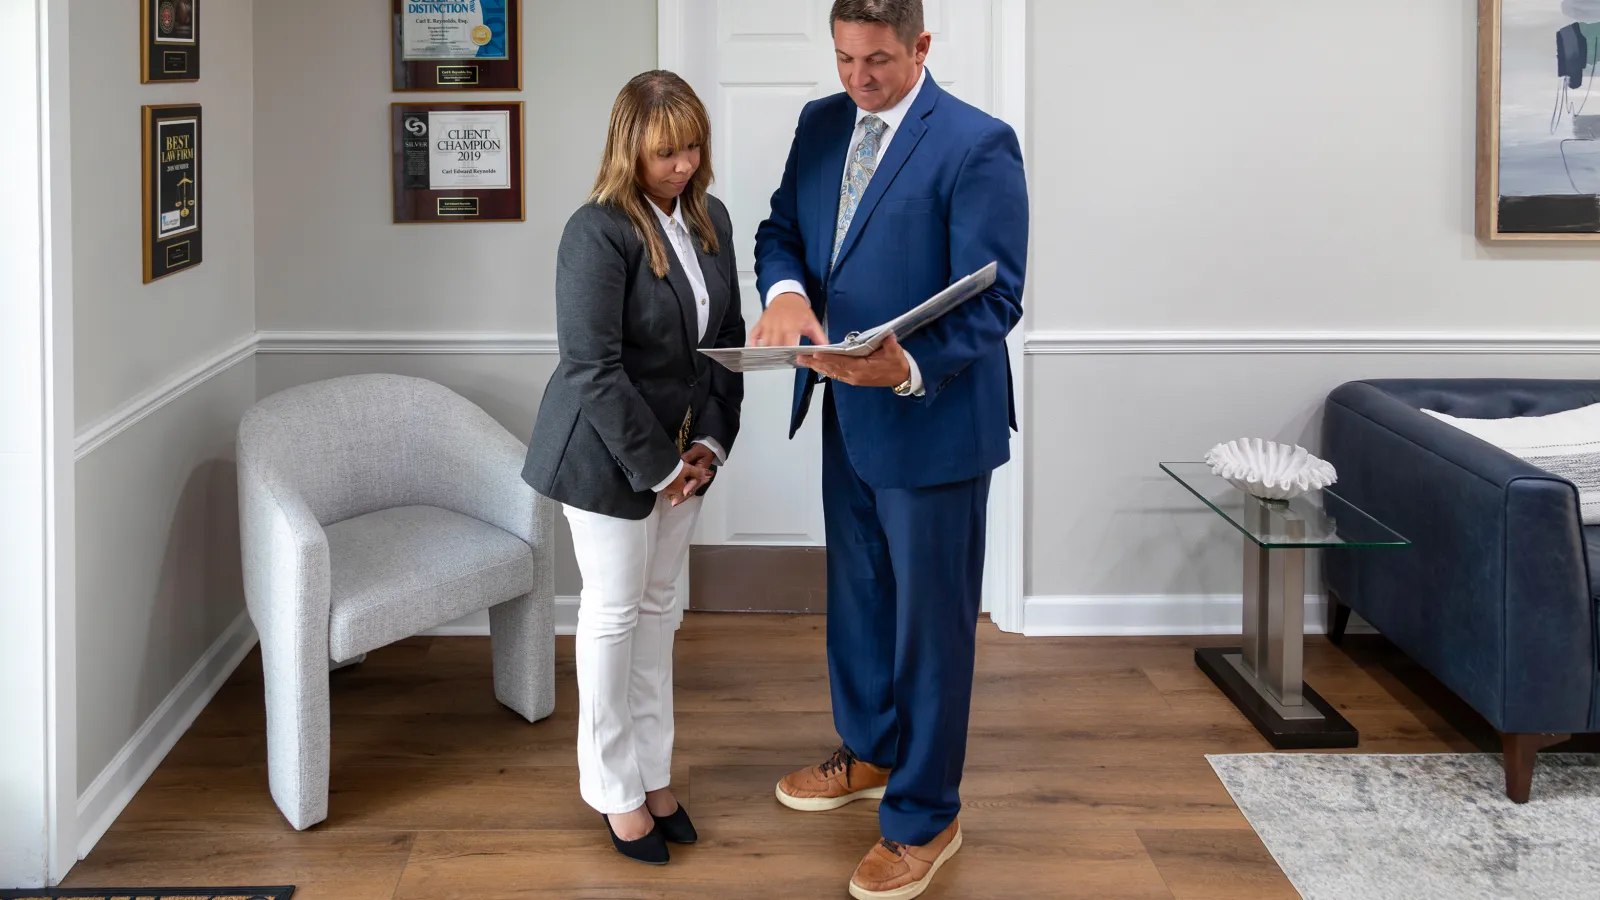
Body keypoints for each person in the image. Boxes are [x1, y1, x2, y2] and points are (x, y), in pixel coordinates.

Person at [749, 0, 1028, 896]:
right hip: (844, 410)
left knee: (931, 629)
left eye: (876, 60)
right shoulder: (820, 123)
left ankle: (925, 818)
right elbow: (780, 232)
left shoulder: (979, 144)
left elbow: (997, 298)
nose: (858, 78)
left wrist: (906, 368)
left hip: (935, 418)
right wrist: (788, 293)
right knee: (861, 597)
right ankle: (870, 751)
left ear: (921, 47)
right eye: (843, 58)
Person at [521, 69, 745, 866]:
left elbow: (726, 341)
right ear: (629, 150)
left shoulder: (710, 218)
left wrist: (711, 443)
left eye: (692, 148)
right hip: (606, 457)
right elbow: (592, 367)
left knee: (657, 614)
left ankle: (654, 775)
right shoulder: (597, 231)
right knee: (614, 617)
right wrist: (659, 469)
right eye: (664, 153)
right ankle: (614, 788)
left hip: (684, 456)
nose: (682, 166)